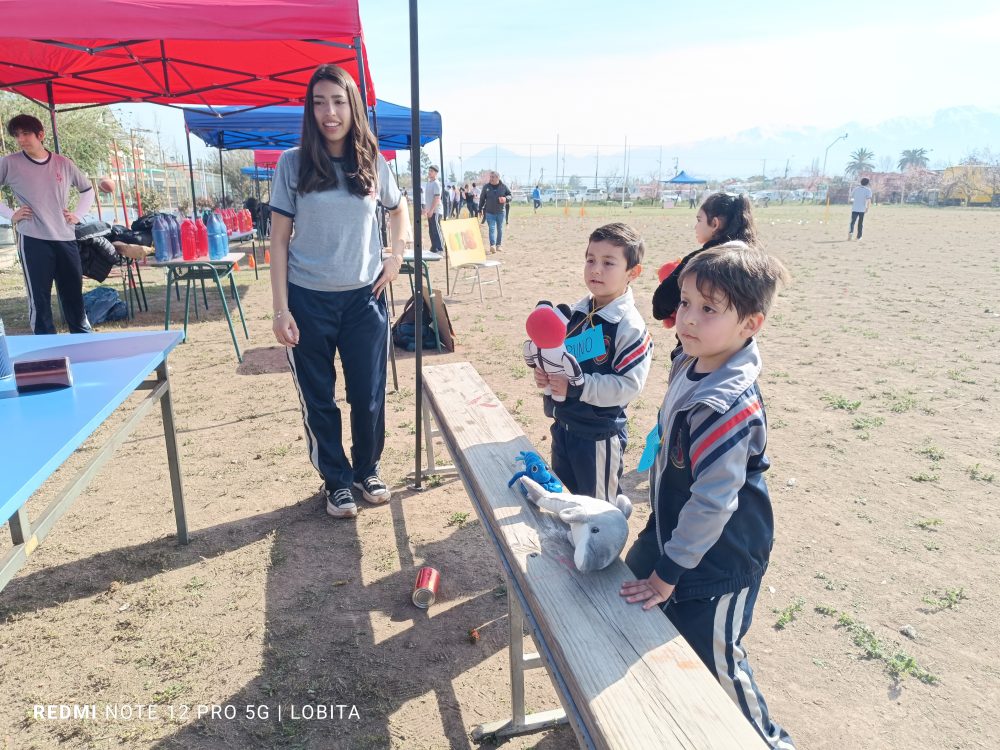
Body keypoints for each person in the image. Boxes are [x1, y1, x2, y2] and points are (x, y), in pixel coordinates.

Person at [620, 242, 794, 750]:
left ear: (751, 325)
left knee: (717, 661)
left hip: (720, 559)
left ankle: (768, 742)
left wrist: (670, 571)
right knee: (632, 610)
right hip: (673, 535)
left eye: (708, 309)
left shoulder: (725, 404)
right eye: (686, 303)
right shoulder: (693, 360)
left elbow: (713, 502)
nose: (688, 319)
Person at [269, 64, 410, 519]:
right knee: (319, 397)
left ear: (353, 106)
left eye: (338, 101)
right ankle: (336, 480)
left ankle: (366, 468)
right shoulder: (292, 164)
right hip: (308, 299)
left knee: (368, 393)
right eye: (319, 102)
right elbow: (277, 242)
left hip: (365, 299)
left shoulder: (372, 160)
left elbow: (398, 207)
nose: (329, 112)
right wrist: (280, 309)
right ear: (310, 111)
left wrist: (396, 254)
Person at [532, 222, 652, 501]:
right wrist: (546, 375)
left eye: (608, 263)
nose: (596, 269)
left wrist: (578, 386)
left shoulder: (629, 326)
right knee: (565, 500)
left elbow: (628, 385)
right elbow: (562, 358)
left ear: (633, 272)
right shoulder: (575, 312)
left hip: (598, 436)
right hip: (563, 426)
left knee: (598, 512)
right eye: (590, 260)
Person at [0, 114, 96, 335]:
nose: (21, 139)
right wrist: (10, 214)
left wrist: (78, 215)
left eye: (25, 134)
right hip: (33, 239)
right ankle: (46, 350)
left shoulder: (63, 163)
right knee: (40, 299)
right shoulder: (9, 163)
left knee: (73, 294)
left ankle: (82, 341)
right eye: (17, 135)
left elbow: (87, 190)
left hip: (65, 237)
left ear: (40, 135)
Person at [652, 192, 759, 330]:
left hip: (701, 345)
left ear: (715, 224)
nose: (695, 226)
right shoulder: (754, 260)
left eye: (699, 220)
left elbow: (660, 306)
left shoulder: (701, 260)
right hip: (739, 344)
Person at [479, 171, 511, 253]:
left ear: (497, 178)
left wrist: (506, 199)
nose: (491, 178)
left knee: (500, 229)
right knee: (491, 229)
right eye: (490, 177)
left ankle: (498, 245)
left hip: (501, 212)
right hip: (489, 212)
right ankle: (492, 245)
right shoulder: (486, 187)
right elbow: (482, 199)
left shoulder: (503, 187)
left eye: (493, 177)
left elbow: (510, 195)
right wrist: (480, 209)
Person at [422, 166, 444, 253]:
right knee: (431, 230)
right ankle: (434, 247)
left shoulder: (436, 183)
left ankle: (440, 248)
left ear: (435, 173)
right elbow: (427, 198)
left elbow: (437, 198)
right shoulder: (428, 183)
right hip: (429, 210)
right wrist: (426, 209)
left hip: (436, 210)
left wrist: (431, 210)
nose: (429, 172)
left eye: (431, 171)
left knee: (436, 229)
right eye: (429, 171)